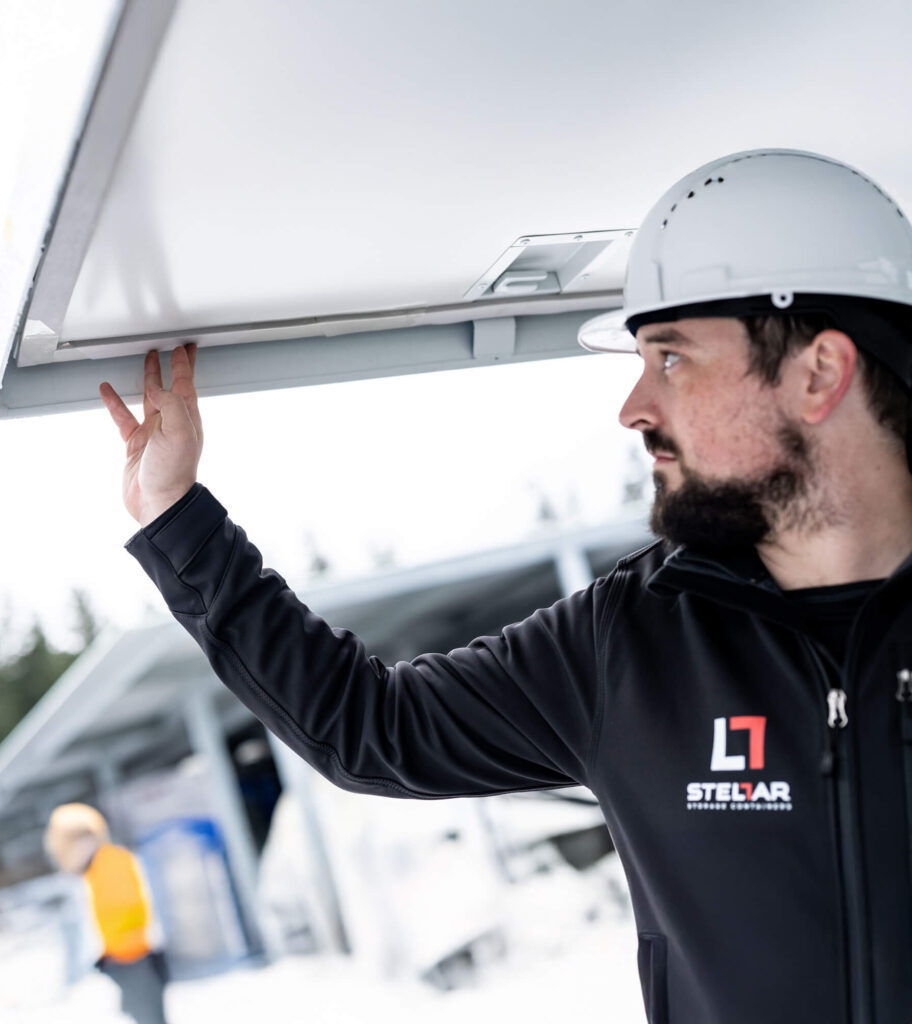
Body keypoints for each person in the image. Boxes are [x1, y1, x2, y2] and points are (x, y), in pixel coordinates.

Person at [99, 149, 912, 1024]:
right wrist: (178, 518)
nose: (635, 406)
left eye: (671, 359)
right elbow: (372, 727)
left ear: (819, 374)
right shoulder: (628, 645)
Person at [44, 804, 169, 1024]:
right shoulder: (94, 869)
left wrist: (115, 953)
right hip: (121, 960)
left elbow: (128, 910)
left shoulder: (110, 864)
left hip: (131, 959)